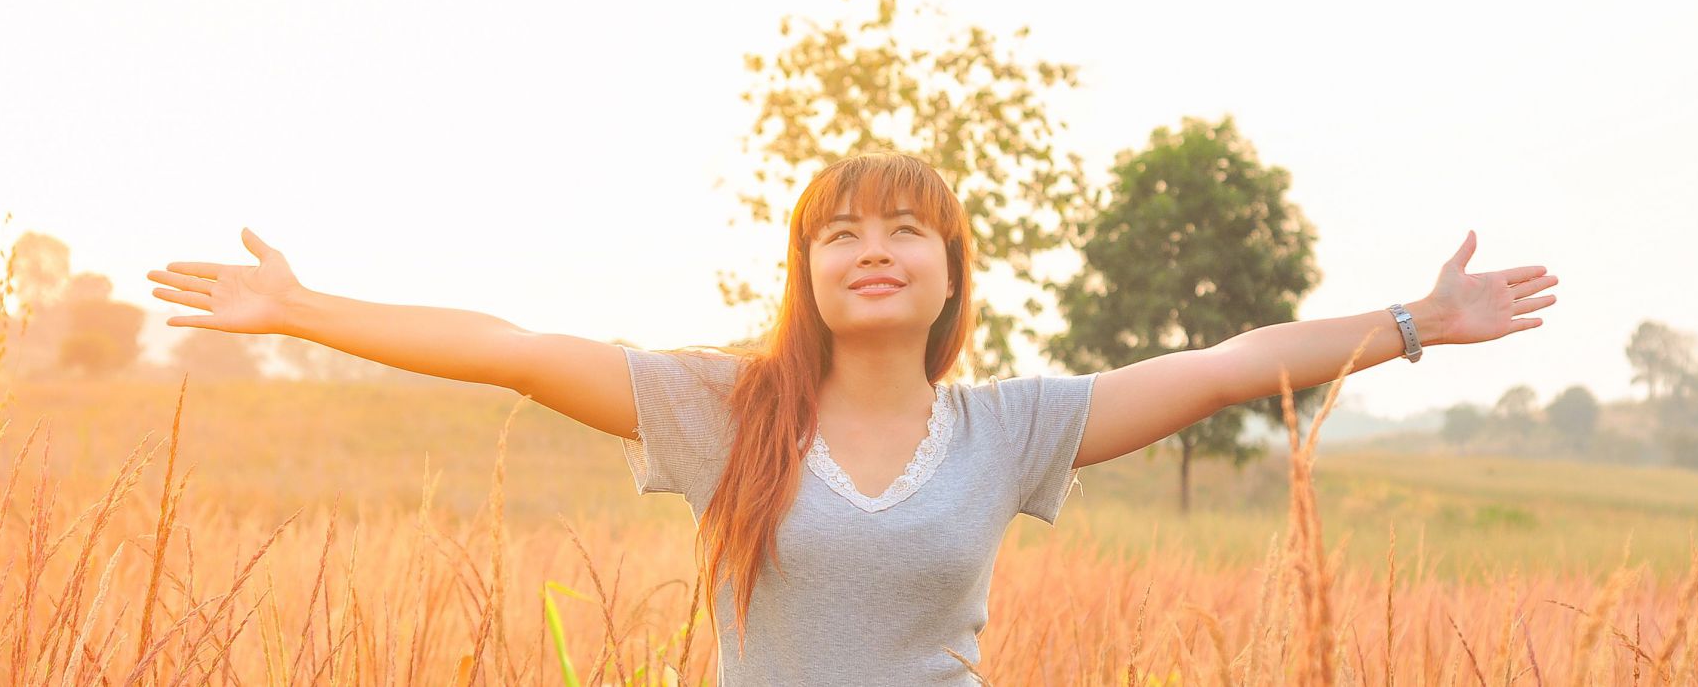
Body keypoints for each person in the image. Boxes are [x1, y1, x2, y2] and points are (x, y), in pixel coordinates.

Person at [146, 152, 1558, 685]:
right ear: (806, 273)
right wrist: (306, 307)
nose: (871, 250)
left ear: (950, 273)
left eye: (905, 232)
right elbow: (515, 351)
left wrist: (1420, 324)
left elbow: (1238, 357)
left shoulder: (1014, 426)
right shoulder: (720, 411)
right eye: (840, 235)